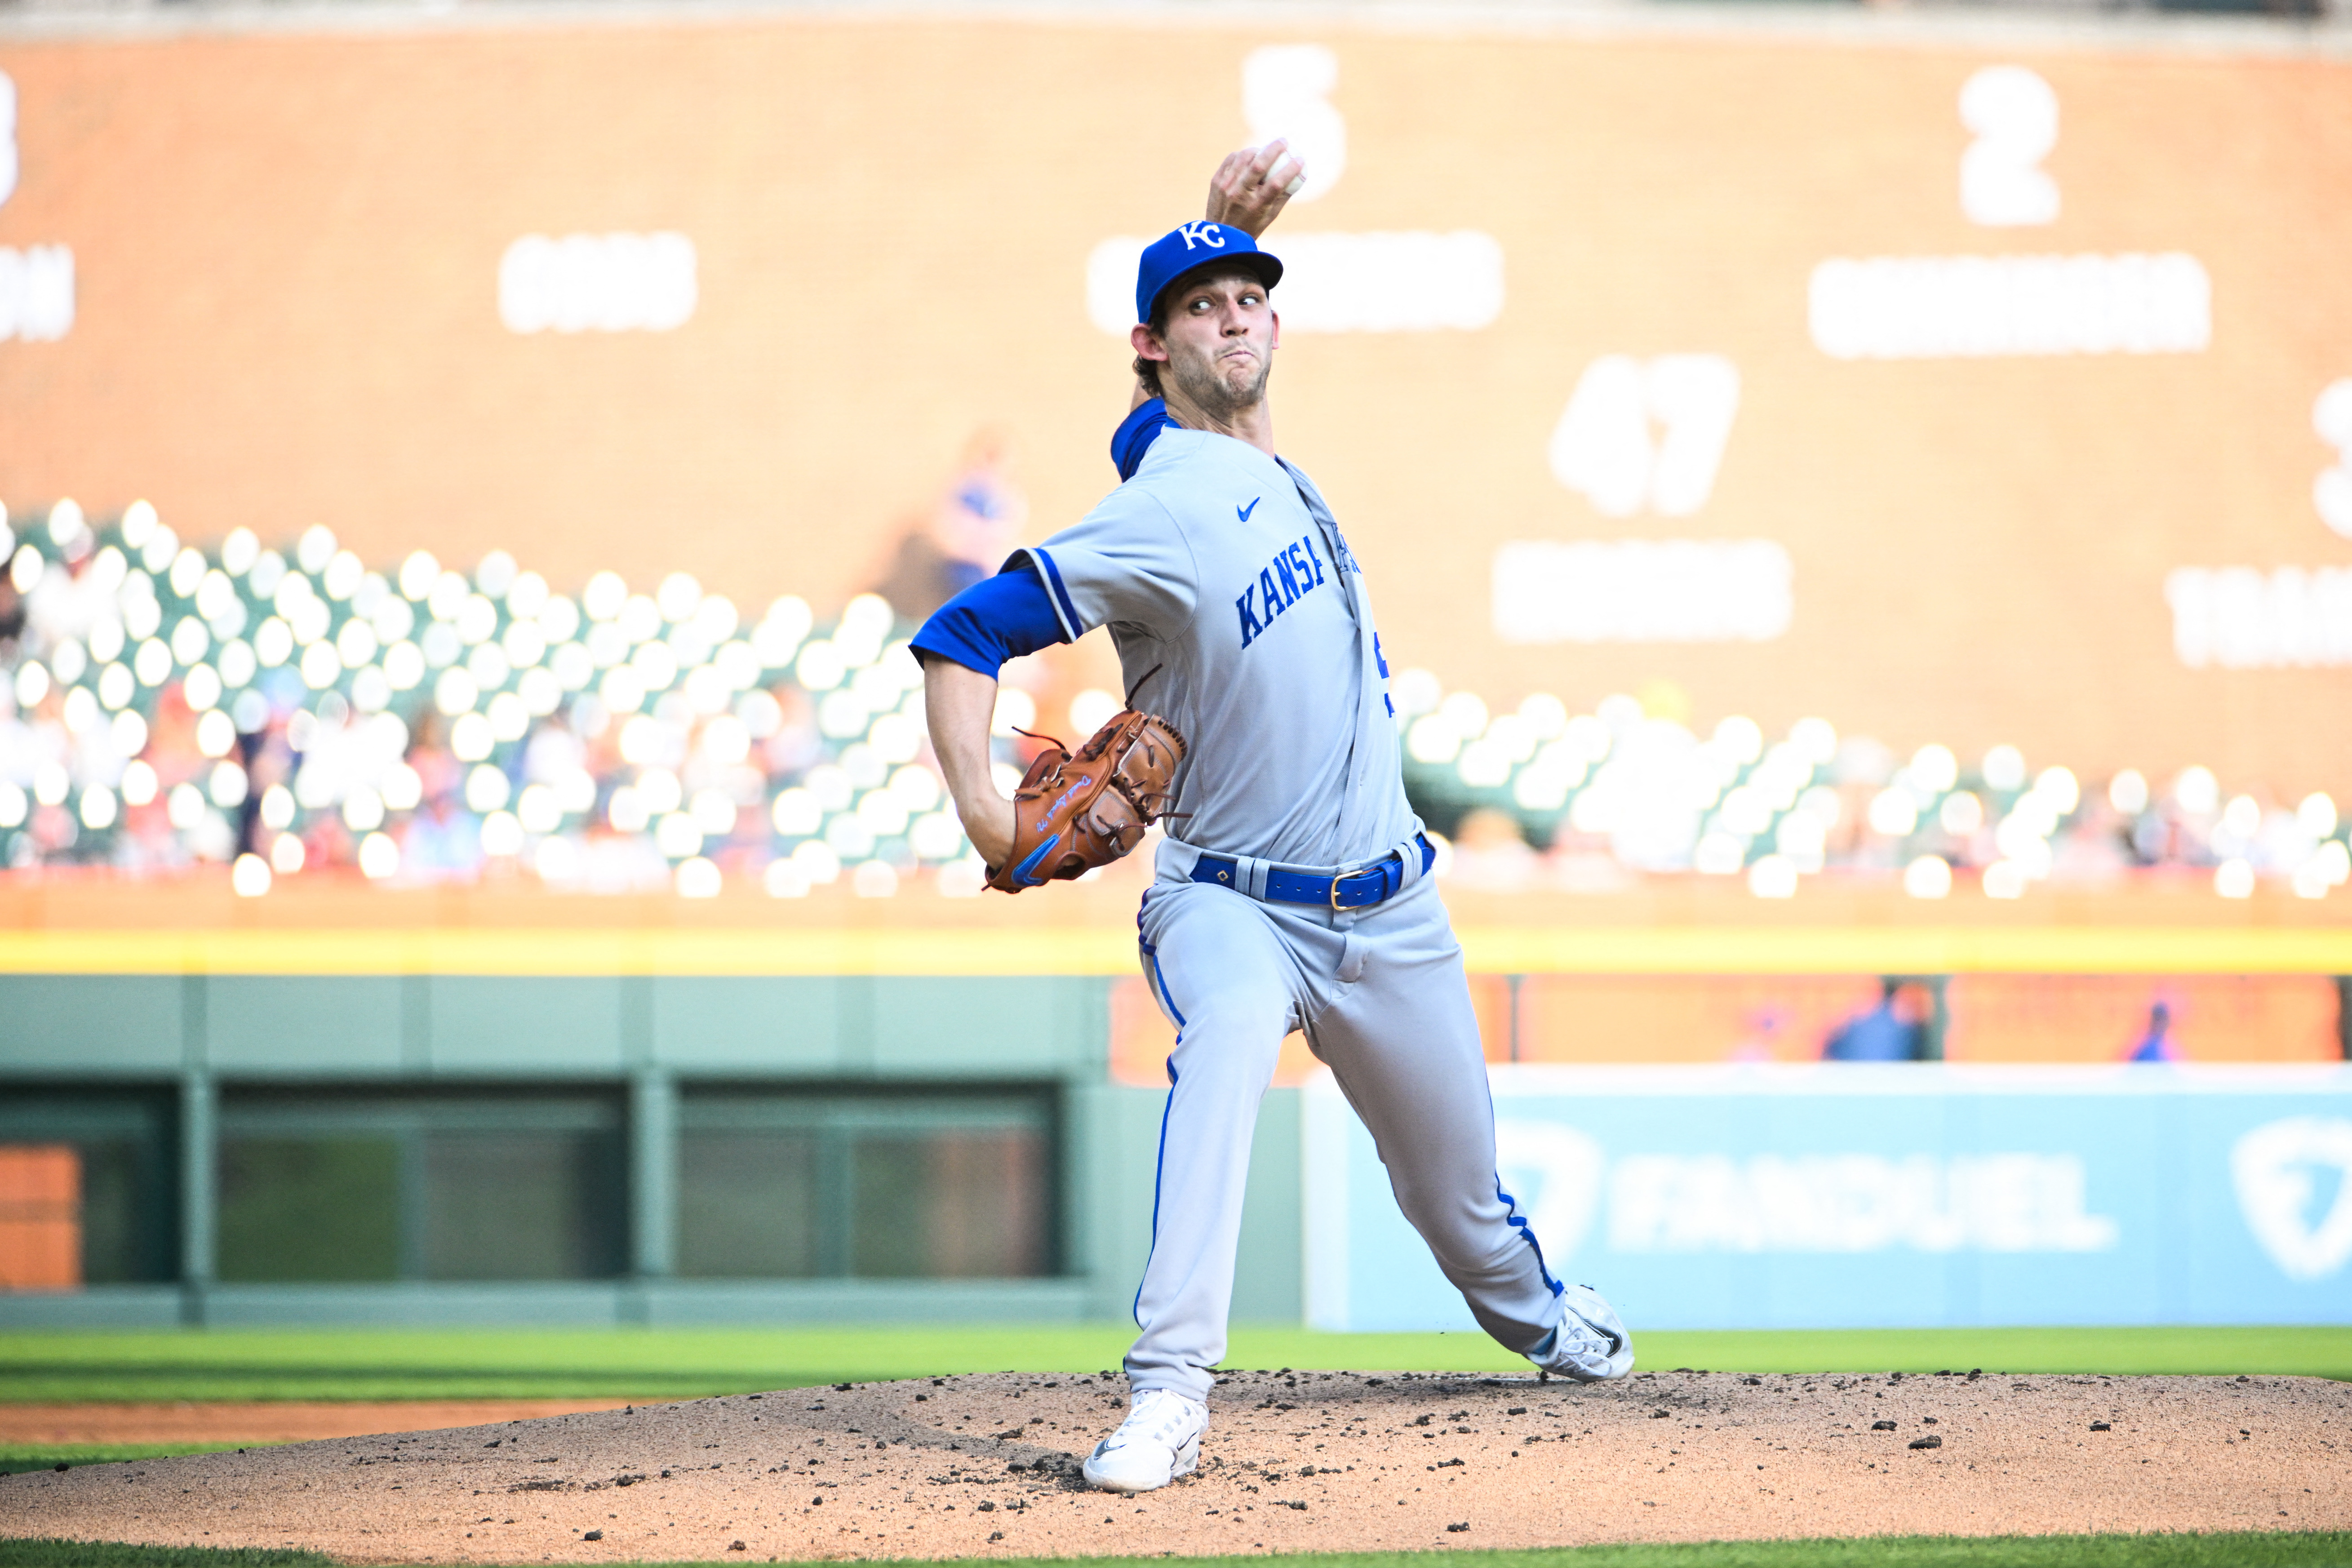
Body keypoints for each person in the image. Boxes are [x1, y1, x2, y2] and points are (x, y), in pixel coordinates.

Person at [910, 144, 1633, 1497]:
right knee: (1227, 1038)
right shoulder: (1160, 503)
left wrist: (1220, 229)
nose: (1233, 315)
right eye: (1202, 303)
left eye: (1249, 297)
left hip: (1391, 909)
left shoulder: (1247, 464)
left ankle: (1540, 1319)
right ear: (1151, 343)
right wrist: (985, 817)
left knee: (1461, 1212)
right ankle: (1168, 1391)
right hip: (1227, 899)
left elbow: (1172, 425)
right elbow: (960, 631)